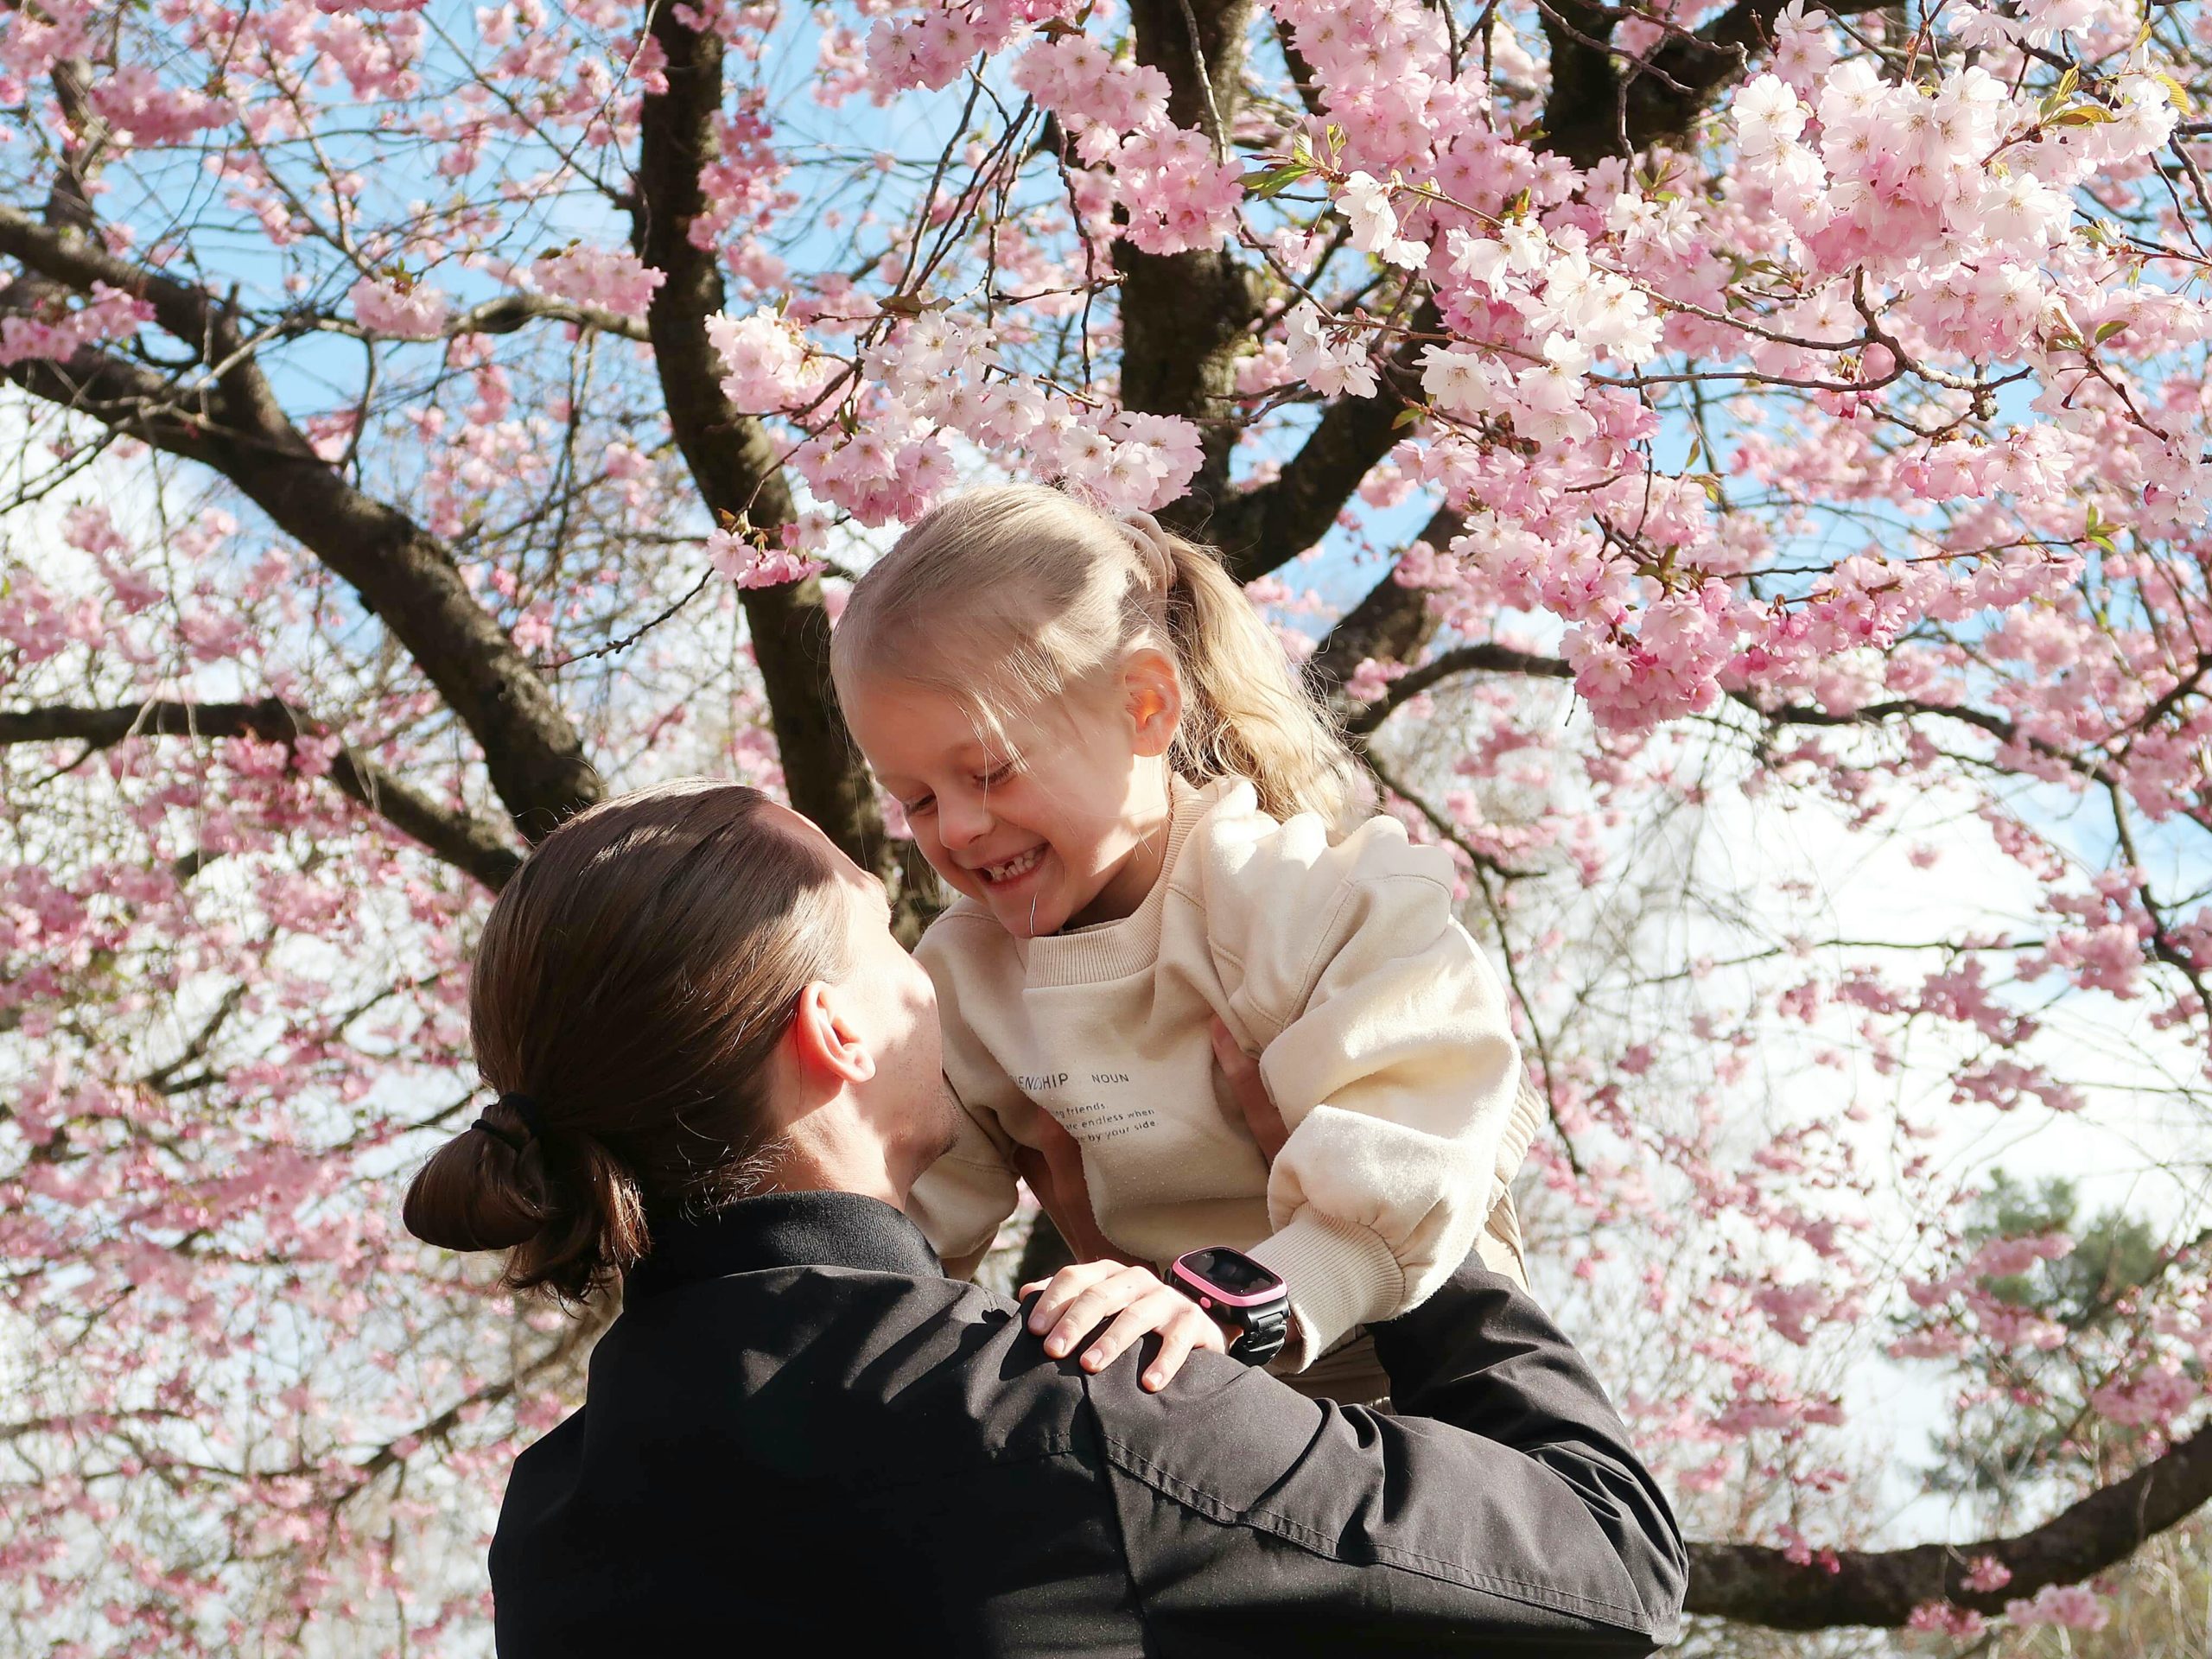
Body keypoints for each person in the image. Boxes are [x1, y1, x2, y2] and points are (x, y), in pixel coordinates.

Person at [404, 779, 1686, 1656]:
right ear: (833, 1033)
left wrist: (1129, 1277)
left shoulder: (556, 1517)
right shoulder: (1063, 1407)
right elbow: (1610, 1558)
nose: (942, 968)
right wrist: (1392, 1200)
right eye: (884, 929)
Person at [830, 484, 1548, 1401]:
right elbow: (902, 1232)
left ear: (1142, 706)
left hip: (1416, 1396)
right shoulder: (961, 982)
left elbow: (1417, 1160)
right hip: (1190, 1409)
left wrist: (1221, 1308)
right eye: (917, 800)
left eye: (989, 771)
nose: (958, 830)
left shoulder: (1303, 902)